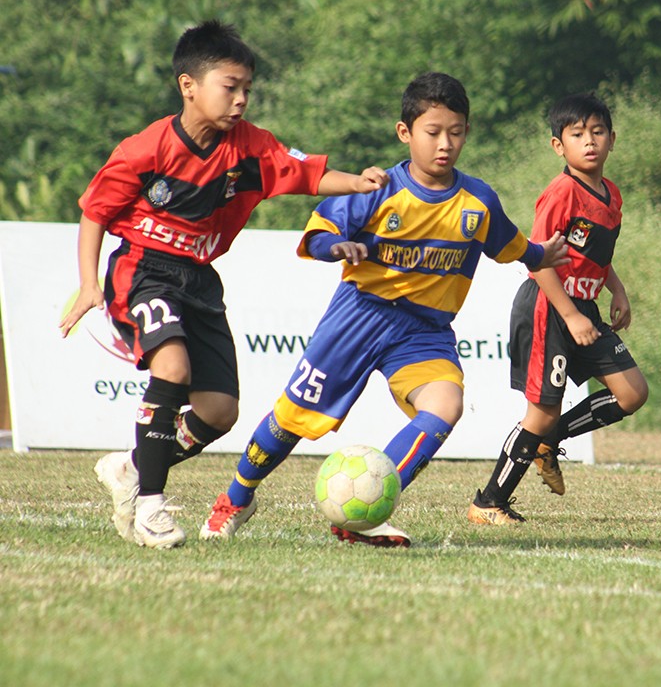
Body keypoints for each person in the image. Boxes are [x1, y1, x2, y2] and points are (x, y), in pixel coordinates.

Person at [199, 71, 568, 547]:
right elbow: (319, 236)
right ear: (405, 133)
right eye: (433, 132)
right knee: (292, 419)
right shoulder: (376, 187)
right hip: (359, 315)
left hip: (423, 331)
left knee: (445, 405)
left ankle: (366, 512)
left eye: (455, 133)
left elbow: (510, 245)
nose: (445, 144)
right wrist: (339, 249)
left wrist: (542, 255)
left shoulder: (478, 200)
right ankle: (237, 497)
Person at [58, 20, 389, 549]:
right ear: (189, 86)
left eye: (247, 90)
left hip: (199, 282)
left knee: (218, 412)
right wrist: (88, 283)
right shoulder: (146, 149)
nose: (240, 100)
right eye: (229, 87)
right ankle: (150, 509)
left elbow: (304, 174)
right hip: (144, 270)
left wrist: (359, 181)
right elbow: (95, 213)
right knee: (172, 368)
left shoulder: (250, 148)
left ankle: (129, 466)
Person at [467, 93, 648, 525]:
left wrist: (617, 289)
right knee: (542, 410)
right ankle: (488, 502)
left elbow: (594, 255)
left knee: (632, 393)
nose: (590, 142)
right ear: (558, 146)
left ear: (612, 139)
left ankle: (550, 441)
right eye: (577, 134)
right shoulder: (562, 192)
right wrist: (570, 315)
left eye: (598, 132)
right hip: (550, 306)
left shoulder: (610, 194)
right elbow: (540, 259)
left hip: (584, 306)